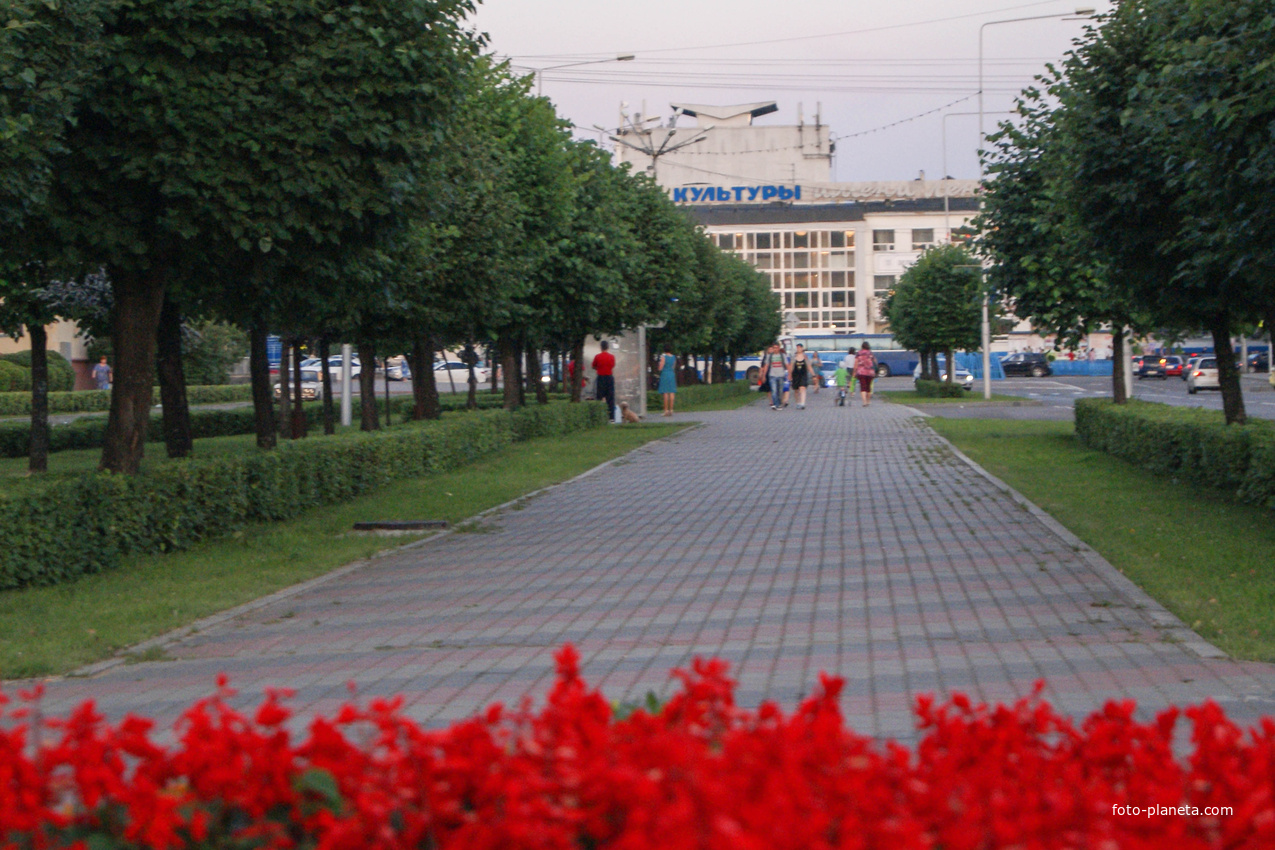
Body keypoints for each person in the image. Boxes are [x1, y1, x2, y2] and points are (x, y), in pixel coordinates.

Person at [591, 340, 616, 421]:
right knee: (610, 398)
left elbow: (594, 366)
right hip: (609, 378)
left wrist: (599, 368)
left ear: (601, 347)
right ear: (608, 347)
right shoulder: (611, 357)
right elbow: (612, 366)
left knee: (599, 397)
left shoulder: (597, 356)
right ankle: (611, 417)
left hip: (601, 378)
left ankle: (598, 417)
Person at [761, 342, 787, 410]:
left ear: (779, 348)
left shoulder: (783, 355)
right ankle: (776, 404)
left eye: (776, 348)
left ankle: (779, 403)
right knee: (774, 390)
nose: (775, 349)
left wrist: (789, 374)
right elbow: (766, 366)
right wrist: (764, 375)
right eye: (774, 348)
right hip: (772, 375)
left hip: (781, 375)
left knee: (780, 391)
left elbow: (787, 365)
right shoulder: (770, 356)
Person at [854, 341, 878, 407]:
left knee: (863, 387)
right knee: (868, 387)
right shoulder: (870, 353)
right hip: (870, 372)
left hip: (861, 372)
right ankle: (868, 401)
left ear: (862, 346)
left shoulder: (858, 353)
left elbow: (856, 364)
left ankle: (864, 402)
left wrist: (854, 372)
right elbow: (875, 362)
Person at [788, 343, 811, 409]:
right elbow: (791, 366)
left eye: (800, 347)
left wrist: (813, 374)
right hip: (795, 375)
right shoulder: (794, 357)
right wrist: (790, 374)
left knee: (802, 388)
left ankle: (802, 403)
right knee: (796, 390)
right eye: (797, 347)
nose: (798, 349)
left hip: (803, 374)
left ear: (802, 348)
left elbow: (809, 366)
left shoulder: (805, 357)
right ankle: (798, 402)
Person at [657, 344, 678, 416]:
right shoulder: (674, 357)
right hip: (671, 374)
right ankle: (671, 409)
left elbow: (660, 367)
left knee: (665, 392)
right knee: (672, 392)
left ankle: (666, 410)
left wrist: (659, 366)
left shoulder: (663, 357)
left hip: (665, 374)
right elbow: (673, 366)